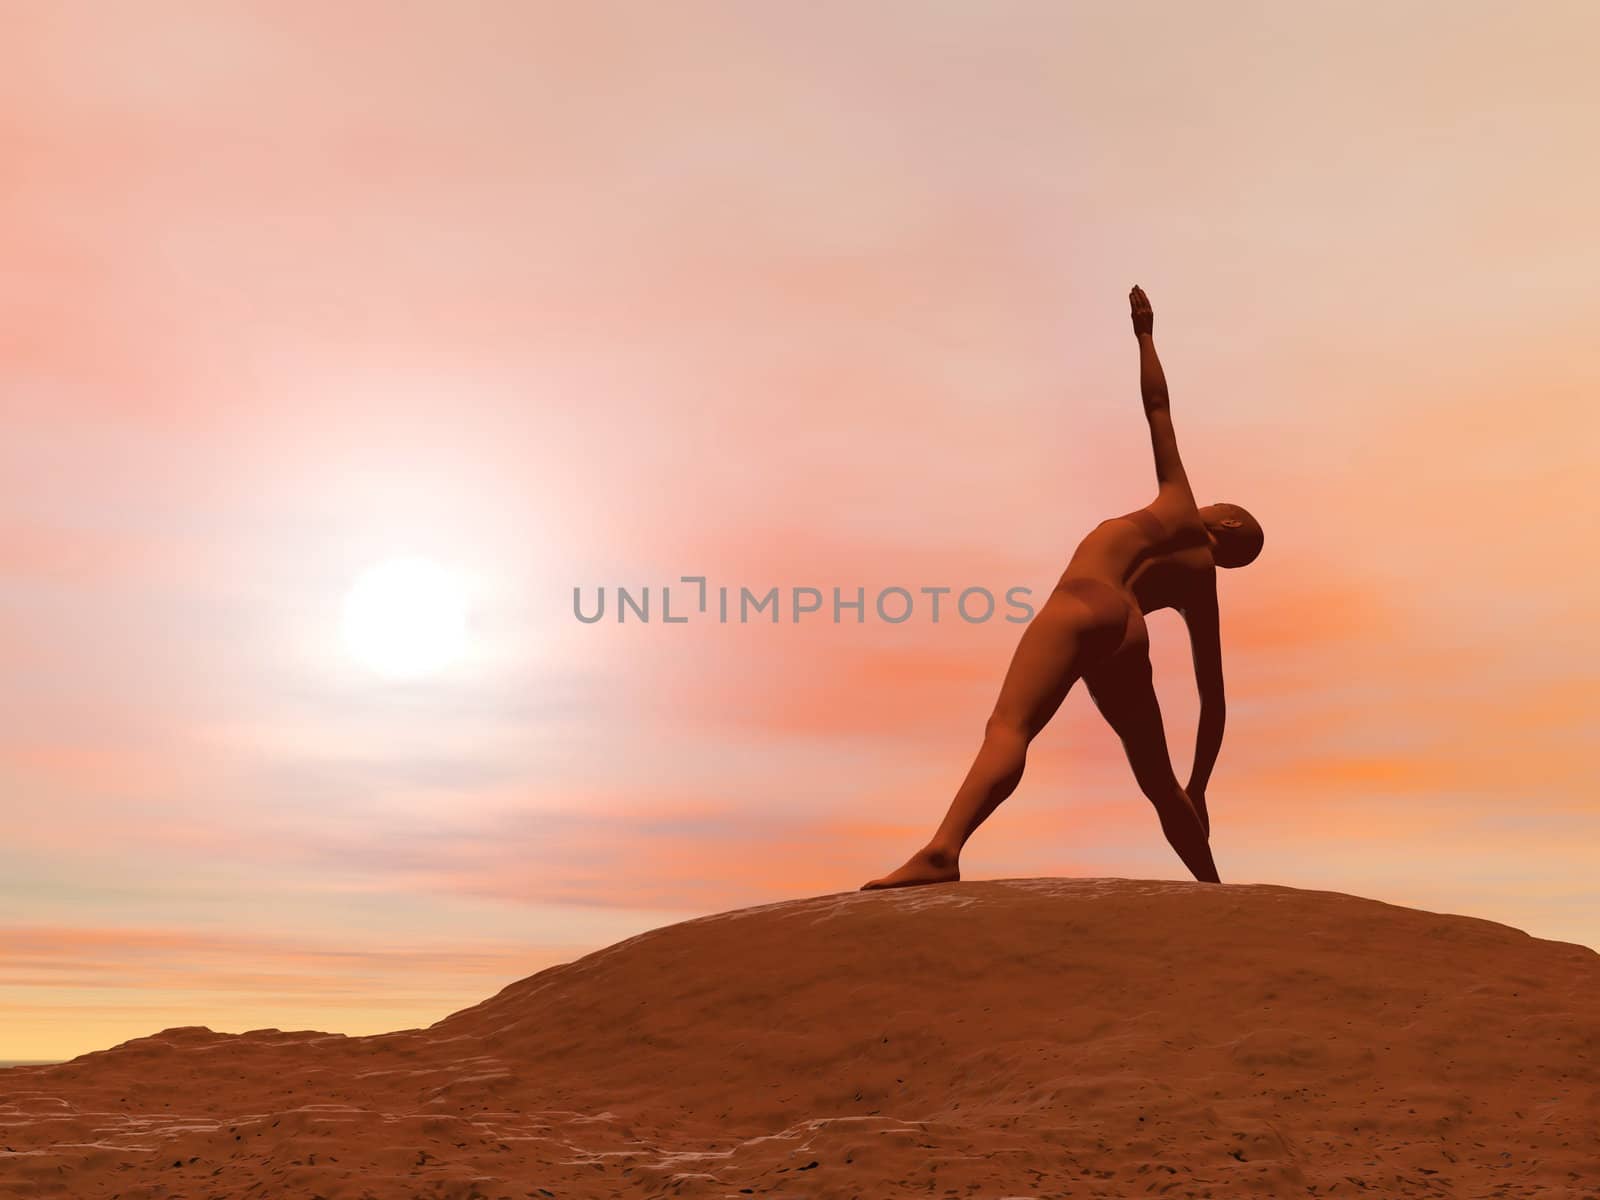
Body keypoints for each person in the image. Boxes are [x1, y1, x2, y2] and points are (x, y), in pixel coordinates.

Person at [861, 285, 1262, 890]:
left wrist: (1145, 335)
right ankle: (1210, 882)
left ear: (1226, 524)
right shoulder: (1200, 587)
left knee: (1009, 726)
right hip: (1129, 636)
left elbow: (1158, 406)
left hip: (1083, 602)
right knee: (1159, 780)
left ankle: (945, 849)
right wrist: (1199, 785)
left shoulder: (1177, 503)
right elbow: (1215, 698)